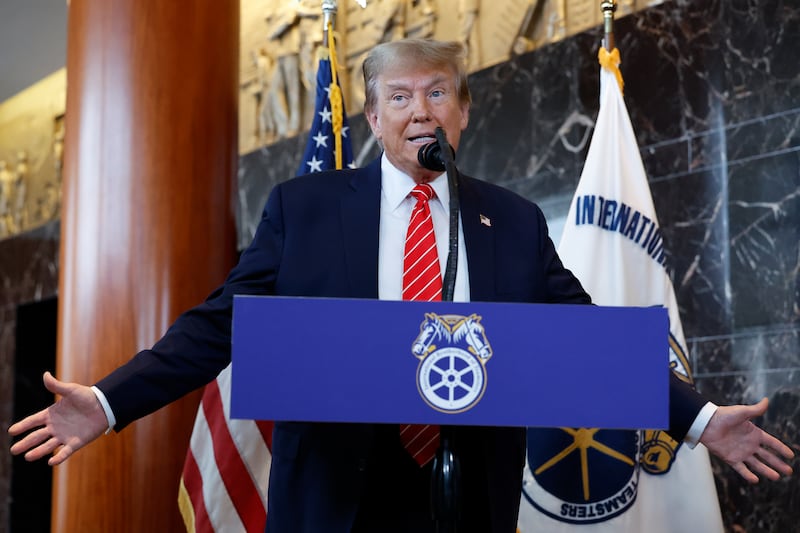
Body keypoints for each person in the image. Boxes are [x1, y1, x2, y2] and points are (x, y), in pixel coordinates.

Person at [8, 39, 794, 532]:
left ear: (462, 112)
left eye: (438, 92)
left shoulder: (512, 221)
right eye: (400, 96)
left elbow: (585, 345)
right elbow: (219, 326)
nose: (421, 109)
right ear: (375, 120)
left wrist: (701, 421)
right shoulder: (306, 209)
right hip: (334, 490)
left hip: (466, 490)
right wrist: (109, 403)